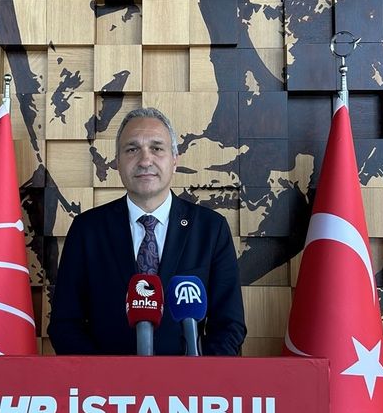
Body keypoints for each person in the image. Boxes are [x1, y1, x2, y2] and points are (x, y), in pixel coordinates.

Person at [47, 107, 247, 355]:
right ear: (117, 162)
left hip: (188, 378)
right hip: (106, 379)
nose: (145, 160)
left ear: (175, 159)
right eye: (132, 149)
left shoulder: (210, 229)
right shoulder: (87, 230)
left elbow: (229, 326)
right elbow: (65, 324)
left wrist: (201, 375)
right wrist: (100, 375)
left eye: (157, 148)